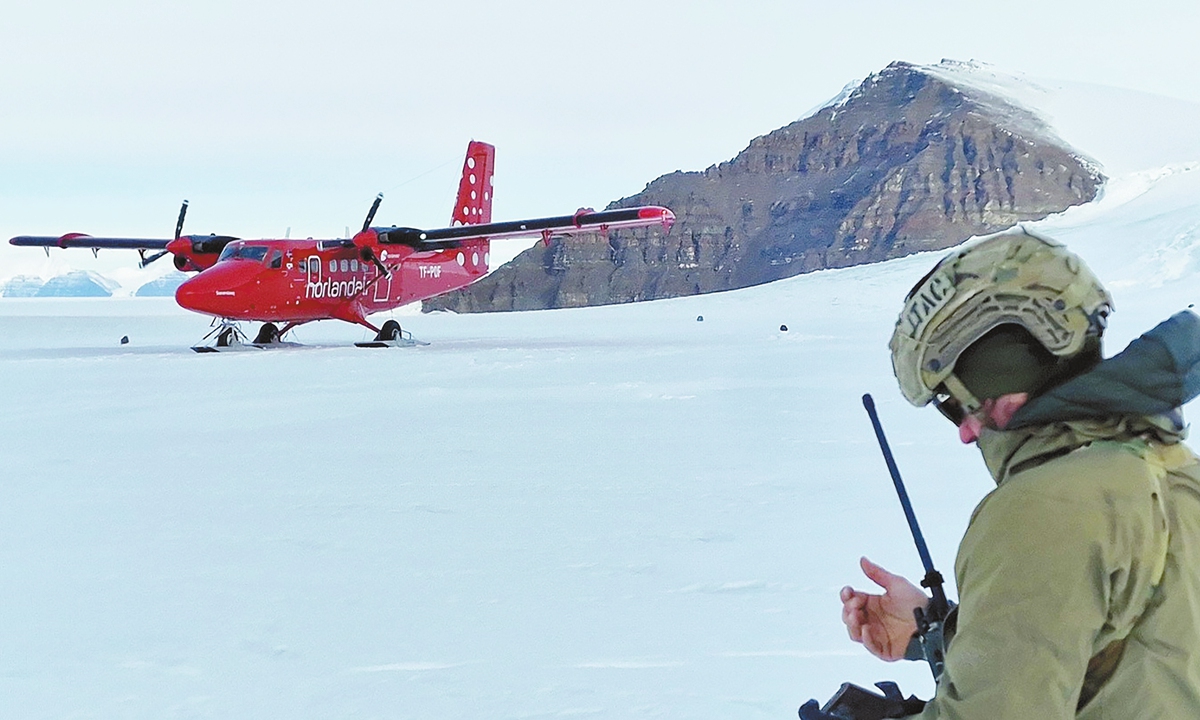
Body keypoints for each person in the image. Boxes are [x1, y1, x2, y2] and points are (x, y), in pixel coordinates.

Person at [840, 227, 1200, 718]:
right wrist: (936, 632)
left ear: (1000, 369)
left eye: (956, 403)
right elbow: (1134, 663)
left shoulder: (1044, 509)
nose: (966, 433)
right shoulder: (1176, 473)